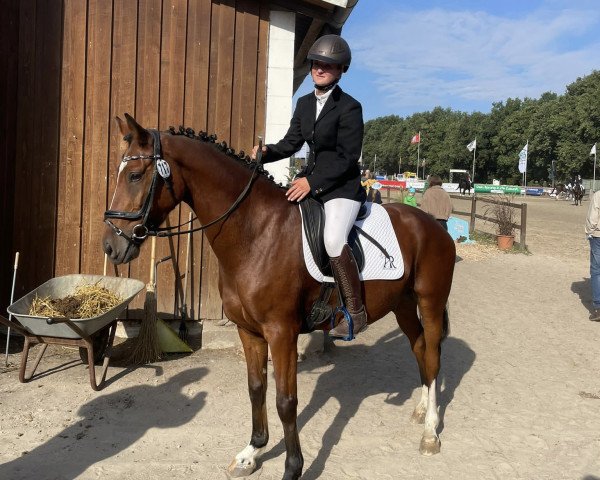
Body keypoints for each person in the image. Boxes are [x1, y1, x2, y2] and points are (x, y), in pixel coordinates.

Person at [251, 34, 367, 338]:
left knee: (332, 239)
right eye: (317, 63)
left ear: (341, 69)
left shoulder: (350, 107)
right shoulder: (303, 103)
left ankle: (355, 312)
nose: (320, 68)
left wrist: (311, 182)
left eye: (328, 65)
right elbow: (292, 143)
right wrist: (266, 154)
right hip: (310, 183)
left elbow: (347, 157)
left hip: (341, 187)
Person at [585, 189, 600, 321]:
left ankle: (598, 308)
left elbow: (592, 217)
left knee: (596, 271)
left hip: (598, 236)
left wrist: (589, 232)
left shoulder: (598, 195)